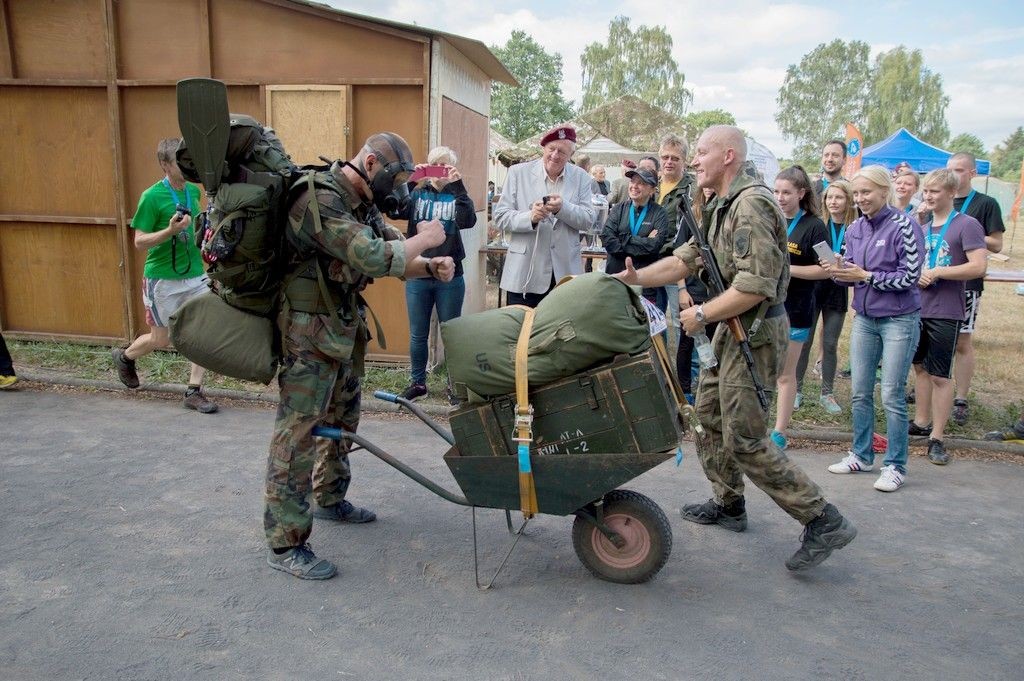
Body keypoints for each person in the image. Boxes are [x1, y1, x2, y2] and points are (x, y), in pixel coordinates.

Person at [616, 125, 856, 572]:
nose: (693, 161)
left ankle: (823, 518)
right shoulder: (719, 206)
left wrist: (703, 315)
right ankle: (729, 504)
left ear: (728, 156)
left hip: (757, 331)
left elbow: (756, 285)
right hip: (732, 327)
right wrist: (635, 279)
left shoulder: (751, 205)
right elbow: (687, 257)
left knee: (745, 438)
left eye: (701, 152)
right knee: (708, 417)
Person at [265, 132, 455, 580]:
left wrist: (428, 266)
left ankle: (329, 498)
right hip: (307, 335)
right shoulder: (318, 200)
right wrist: (425, 240)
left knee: (344, 419)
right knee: (297, 437)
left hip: (342, 330)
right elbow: (373, 255)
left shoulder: (363, 202)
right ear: (370, 163)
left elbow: (391, 255)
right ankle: (284, 544)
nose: (400, 189)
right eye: (396, 178)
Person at [824, 165, 924, 493]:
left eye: (866, 192)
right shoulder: (855, 228)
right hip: (865, 318)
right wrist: (836, 269)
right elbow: (847, 269)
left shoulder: (905, 225)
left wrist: (866, 277)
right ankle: (862, 454)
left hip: (899, 319)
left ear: (885, 191)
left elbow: (910, 276)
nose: (861, 199)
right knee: (859, 391)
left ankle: (895, 465)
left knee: (891, 394)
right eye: (857, 193)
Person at [111, 138, 217, 414]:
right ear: (165, 165)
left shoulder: (193, 192)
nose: (186, 167)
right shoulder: (151, 197)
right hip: (162, 279)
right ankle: (125, 356)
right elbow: (139, 242)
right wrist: (169, 231)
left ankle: (194, 391)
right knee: (161, 339)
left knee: (203, 333)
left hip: (195, 275)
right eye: (180, 163)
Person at [908, 169, 987, 465]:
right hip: (917, 307)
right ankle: (921, 421)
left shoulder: (967, 225)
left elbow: (978, 266)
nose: (928, 196)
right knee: (920, 369)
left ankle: (937, 437)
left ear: (952, 193)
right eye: (926, 191)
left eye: (935, 191)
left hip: (946, 310)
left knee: (941, 374)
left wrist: (939, 272)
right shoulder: (924, 224)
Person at [400, 146, 477, 404]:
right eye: (435, 165)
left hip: (450, 274)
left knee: (451, 332)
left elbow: (468, 220)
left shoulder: (455, 195)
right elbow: (395, 209)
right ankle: (418, 382)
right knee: (417, 333)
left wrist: (458, 185)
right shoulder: (417, 194)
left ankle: (454, 386)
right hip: (418, 271)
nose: (439, 171)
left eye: (445, 166)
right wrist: (412, 179)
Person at [492, 125, 596, 307]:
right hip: (524, 273)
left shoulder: (582, 178)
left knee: (560, 333)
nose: (555, 155)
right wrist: (530, 217)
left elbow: (588, 220)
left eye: (562, 152)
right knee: (521, 332)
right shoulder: (518, 172)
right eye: (551, 149)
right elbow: (500, 216)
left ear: (570, 154)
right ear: (543, 148)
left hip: (564, 276)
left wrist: (562, 208)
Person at [771, 166, 829, 450]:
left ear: (802, 193)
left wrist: (788, 270)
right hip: (765, 308)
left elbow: (826, 269)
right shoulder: (769, 218)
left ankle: (779, 431)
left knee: (785, 374)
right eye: (777, 191)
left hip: (796, 309)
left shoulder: (815, 226)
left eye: (787, 193)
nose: (780, 198)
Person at [945, 152, 1006, 426]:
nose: (953, 174)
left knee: (962, 341)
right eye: (949, 169)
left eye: (959, 169)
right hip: (936, 283)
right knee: (934, 339)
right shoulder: (939, 199)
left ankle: (961, 397)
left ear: (971, 173)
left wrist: (965, 231)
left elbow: (996, 244)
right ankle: (932, 386)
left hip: (966, 284)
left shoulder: (985, 204)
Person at [795, 180, 857, 415]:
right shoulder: (819, 225)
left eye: (839, 198)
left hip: (837, 290)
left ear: (848, 200)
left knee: (830, 343)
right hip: (814, 287)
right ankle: (797, 390)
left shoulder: (855, 227)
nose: (833, 202)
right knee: (804, 341)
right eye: (830, 197)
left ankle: (827, 393)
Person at [601, 167, 670, 310]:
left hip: (644, 284)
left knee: (643, 327)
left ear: (652, 190)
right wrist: (641, 240)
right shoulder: (618, 209)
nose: (634, 186)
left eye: (641, 183)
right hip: (616, 279)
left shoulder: (660, 213)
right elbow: (607, 239)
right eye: (633, 181)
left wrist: (623, 238)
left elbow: (654, 246)